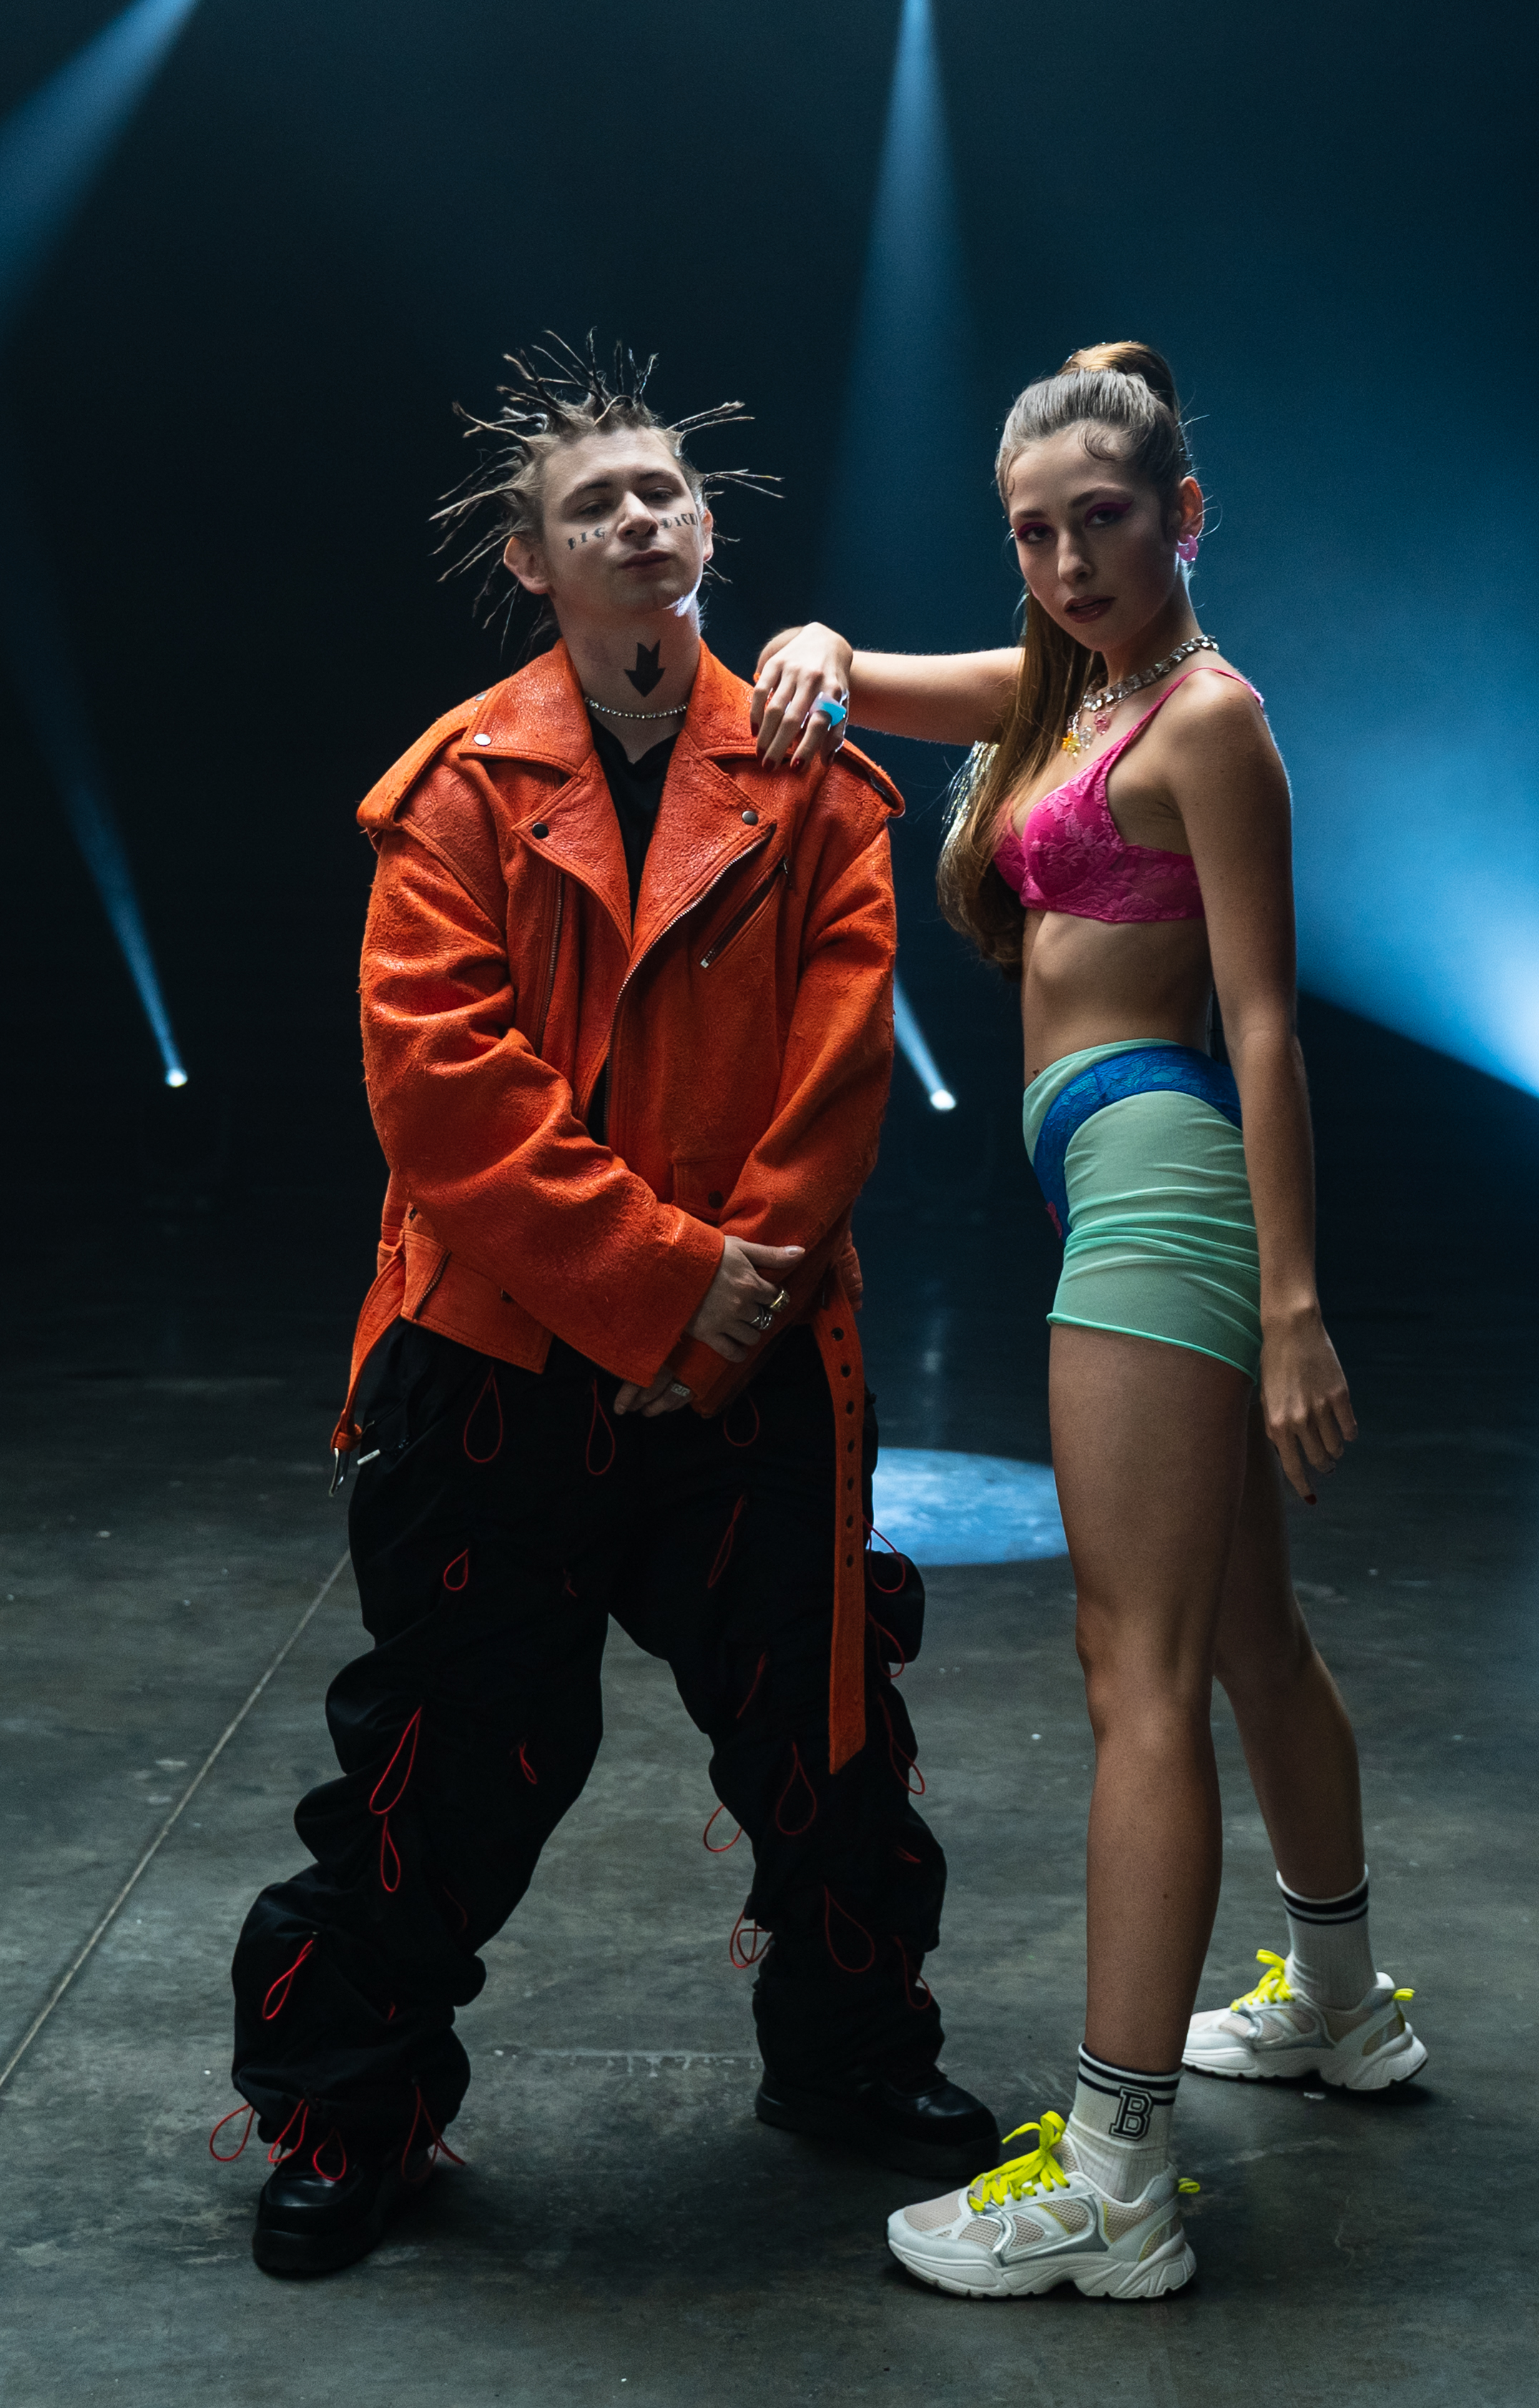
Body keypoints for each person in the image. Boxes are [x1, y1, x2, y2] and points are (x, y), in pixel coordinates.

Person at [217, 341, 998, 2279]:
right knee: (453, 1750)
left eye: (664, 490)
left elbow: (837, 1073)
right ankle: (350, 2112)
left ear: (707, 527)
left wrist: (731, 1307)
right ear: (530, 557)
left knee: (827, 1733)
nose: (640, 517)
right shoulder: (461, 789)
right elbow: (443, 1087)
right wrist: (666, 1291)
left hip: (760, 1346)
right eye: (596, 502)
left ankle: (850, 2054)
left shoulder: (818, 787)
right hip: (498, 1353)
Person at [753, 342, 1425, 2304]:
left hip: (1159, 1186)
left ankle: (1117, 2174)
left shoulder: (1208, 720)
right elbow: (881, 679)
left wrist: (1293, 1308)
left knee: (1138, 1672)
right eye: (1033, 534)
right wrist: (814, 640)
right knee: (1244, 1633)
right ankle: (1341, 2006)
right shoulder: (1075, 686)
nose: (1065, 563)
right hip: (1113, 1181)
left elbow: (1268, 1026)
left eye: (1103, 521)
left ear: (1184, 516)